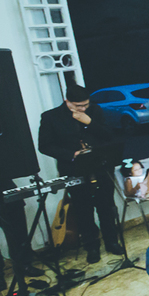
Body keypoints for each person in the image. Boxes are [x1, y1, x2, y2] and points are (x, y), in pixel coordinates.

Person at [38, 84, 122, 262]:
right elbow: (44, 146)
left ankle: (112, 242)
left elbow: (109, 135)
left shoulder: (95, 111)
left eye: (86, 105)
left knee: (106, 207)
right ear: (67, 101)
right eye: (78, 106)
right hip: (74, 169)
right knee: (83, 210)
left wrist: (89, 122)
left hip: (100, 167)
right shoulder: (51, 117)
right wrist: (71, 154)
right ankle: (91, 247)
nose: (83, 108)